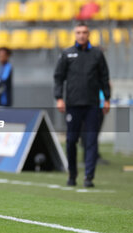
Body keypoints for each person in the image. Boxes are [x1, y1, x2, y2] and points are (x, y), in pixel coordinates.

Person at [54, 22, 110, 188]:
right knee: (71, 140)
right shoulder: (67, 54)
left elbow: (104, 78)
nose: (81, 35)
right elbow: (58, 77)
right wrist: (59, 98)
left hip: (93, 105)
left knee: (91, 140)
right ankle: (72, 174)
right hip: (72, 105)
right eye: (78, 32)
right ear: (75, 34)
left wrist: (107, 99)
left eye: (84, 32)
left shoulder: (97, 54)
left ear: (89, 34)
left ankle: (89, 177)